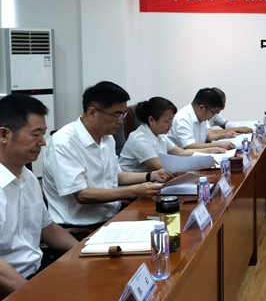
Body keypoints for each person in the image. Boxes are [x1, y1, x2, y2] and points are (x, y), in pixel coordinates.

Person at [42, 81, 173, 229]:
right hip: (82, 226)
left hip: (112, 215)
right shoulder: (63, 143)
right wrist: (133, 191)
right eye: (116, 115)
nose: (121, 121)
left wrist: (151, 175)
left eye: (123, 114)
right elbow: (82, 195)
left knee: (168, 221)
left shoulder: (107, 137)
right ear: (92, 113)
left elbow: (116, 175)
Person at [0, 95, 78, 296]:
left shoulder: (28, 177)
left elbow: (47, 227)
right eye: (36, 134)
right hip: (11, 286)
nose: (43, 142)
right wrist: (34, 294)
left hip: (39, 271)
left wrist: (83, 252)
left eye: (43, 134)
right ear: (4, 134)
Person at [119, 97, 228, 172]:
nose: (171, 125)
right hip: (134, 189)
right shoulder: (140, 139)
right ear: (151, 120)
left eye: (172, 120)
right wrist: (199, 162)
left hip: (153, 183)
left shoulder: (160, 134)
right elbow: (160, 166)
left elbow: (180, 152)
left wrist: (211, 150)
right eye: (167, 121)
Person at [168, 88, 237, 150]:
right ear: (202, 108)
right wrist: (219, 145)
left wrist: (225, 135)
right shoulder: (183, 118)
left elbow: (206, 136)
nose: (213, 116)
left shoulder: (202, 117)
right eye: (213, 112)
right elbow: (189, 146)